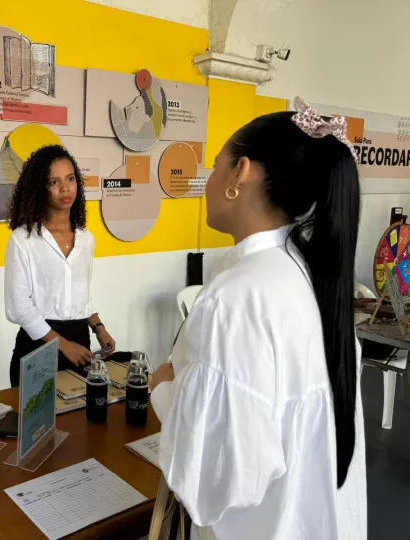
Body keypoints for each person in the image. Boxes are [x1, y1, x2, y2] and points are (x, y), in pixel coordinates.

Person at [149, 98, 367, 540]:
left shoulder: (236, 299)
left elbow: (215, 473)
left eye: (215, 165)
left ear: (240, 174)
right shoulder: (306, 270)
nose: (209, 180)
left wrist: (165, 389)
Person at [4, 145, 115, 387]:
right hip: (38, 345)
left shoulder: (86, 239)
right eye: (53, 182)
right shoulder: (23, 239)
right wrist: (62, 345)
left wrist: (99, 328)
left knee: (82, 410)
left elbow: (80, 294)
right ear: (39, 188)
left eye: (70, 179)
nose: (65, 188)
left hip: (80, 342)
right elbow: (18, 307)